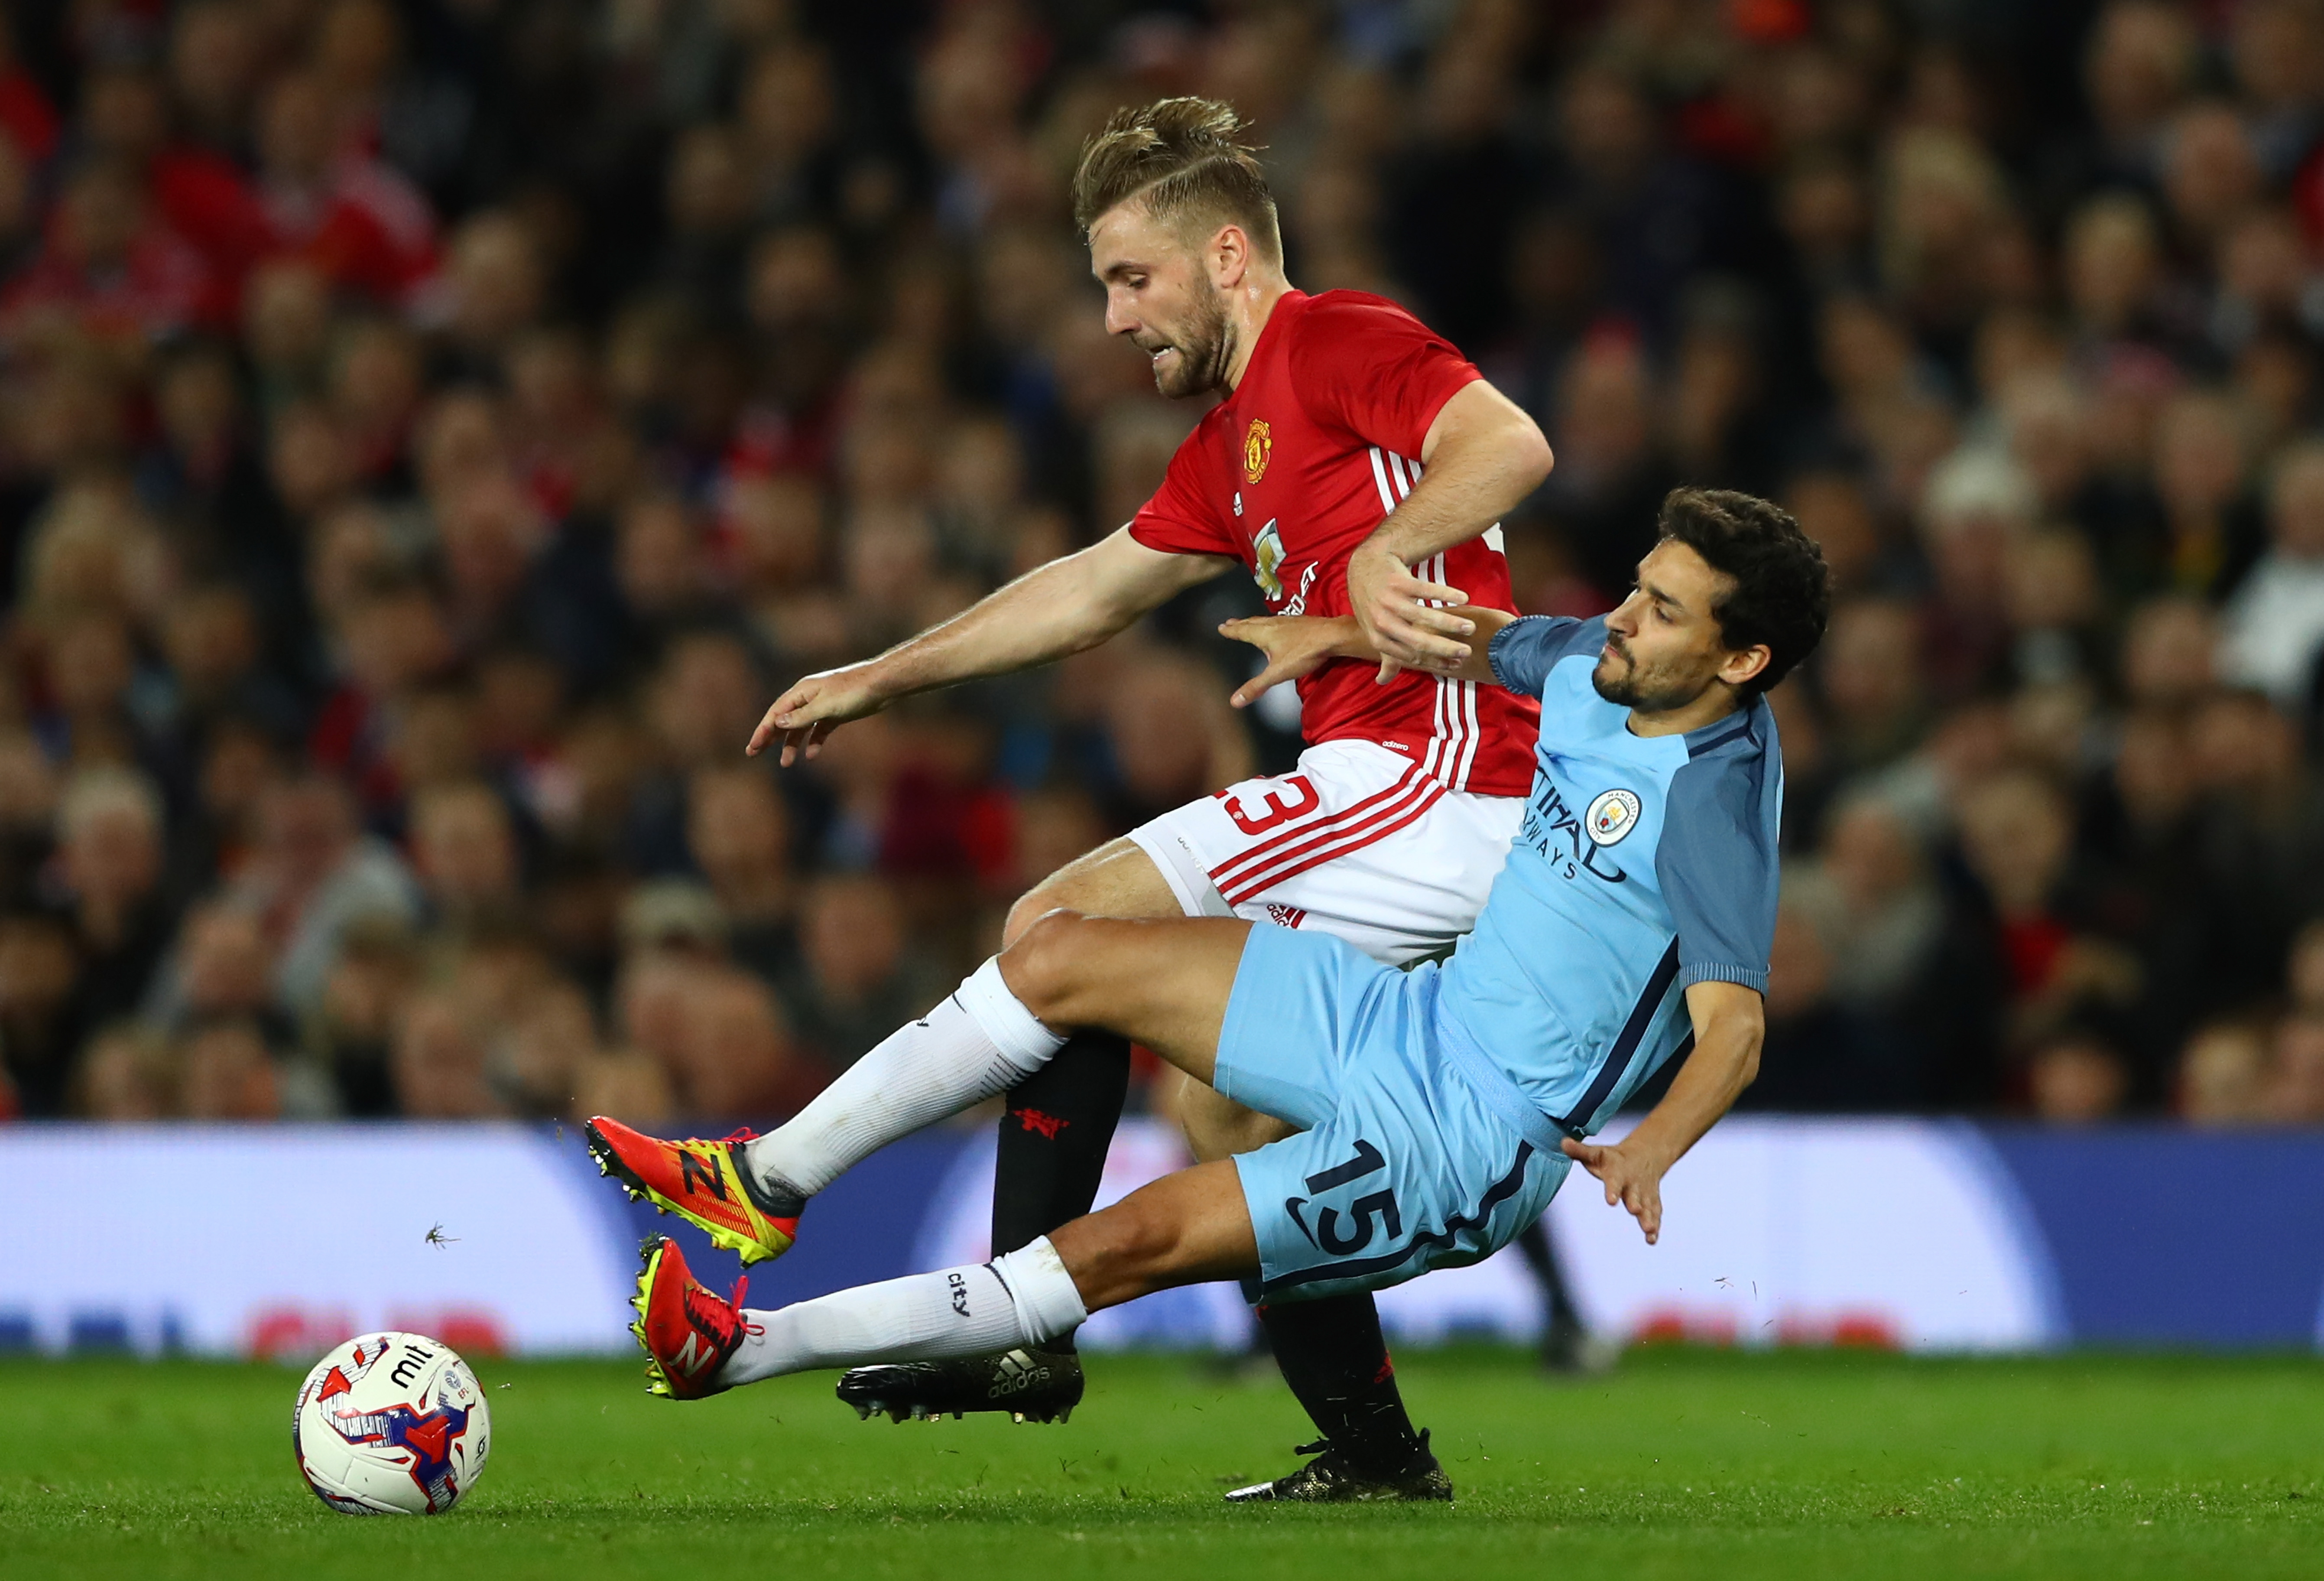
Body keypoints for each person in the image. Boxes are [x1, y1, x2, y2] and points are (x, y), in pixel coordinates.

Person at [588, 488, 1831, 1501]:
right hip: (1403, 1021)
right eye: (1635, 585)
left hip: (1466, 1138)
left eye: (1661, 611)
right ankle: (767, 1182)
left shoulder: (1712, 806)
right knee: (1064, 952)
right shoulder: (1601, 670)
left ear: (1742, 658)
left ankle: (737, 1349)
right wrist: (1335, 638)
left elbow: (1736, 1028)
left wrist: (1650, 1151)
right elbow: (1485, 640)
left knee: (1119, 1245)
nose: (1620, 617)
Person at [685, 95, 1555, 1477]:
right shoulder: (1233, 444)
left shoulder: (1342, 340)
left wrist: (1387, 555)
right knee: (1223, 1115)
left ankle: (1002, 1316)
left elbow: (1508, 445)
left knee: (1059, 930)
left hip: (1442, 774)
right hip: (1382, 781)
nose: (1111, 319)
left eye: (1127, 279)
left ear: (1225, 256)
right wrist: (876, 677)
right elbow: (1089, 590)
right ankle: (1376, 1452)